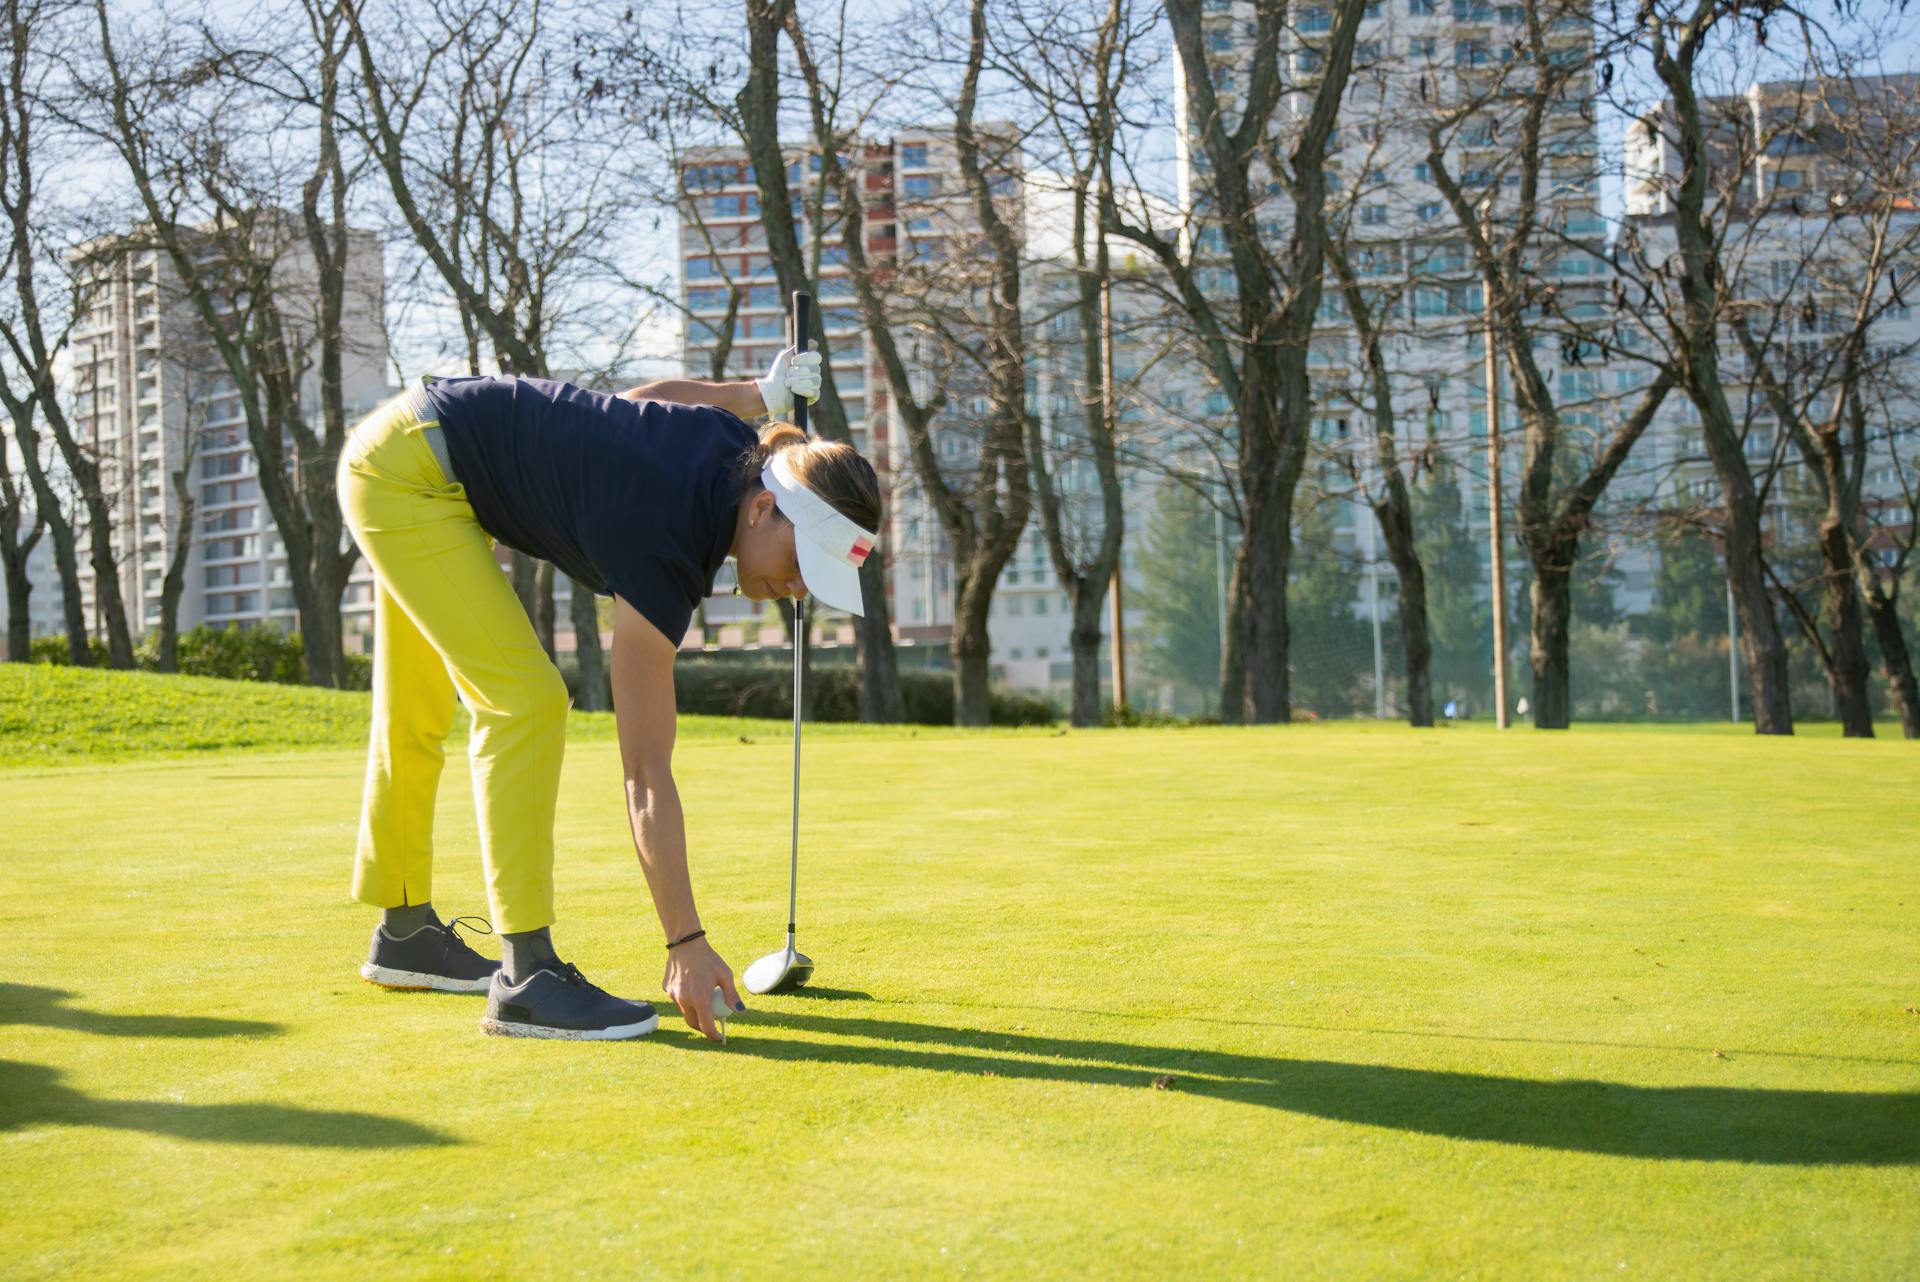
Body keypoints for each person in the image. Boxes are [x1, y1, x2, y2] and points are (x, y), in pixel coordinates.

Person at [334, 350, 881, 1042]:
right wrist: (685, 942)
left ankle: (405, 930)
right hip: (407, 476)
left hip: (412, 448)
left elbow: (635, 397)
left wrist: (755, 394)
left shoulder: (733, 450)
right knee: (526, 700)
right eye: (803, 565)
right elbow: (645, 774)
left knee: (415, 705)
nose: (799, 590)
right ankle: (527, 978)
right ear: (765, 509)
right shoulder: (670, 541)